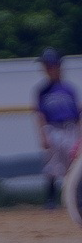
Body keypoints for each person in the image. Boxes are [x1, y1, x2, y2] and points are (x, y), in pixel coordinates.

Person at [35, 48, 79, 210]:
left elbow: (78, 114)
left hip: (70, 129)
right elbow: (40, 115)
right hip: (52, 129)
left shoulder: (69, 89)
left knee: (73, 166)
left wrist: (80, 134)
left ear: (58, 66)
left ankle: (73, 199)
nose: (47, 69)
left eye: (50, 65)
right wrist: (43, 135)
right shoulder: (42, 91)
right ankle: (50, 200)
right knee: (52, 166)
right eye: (45, 66)